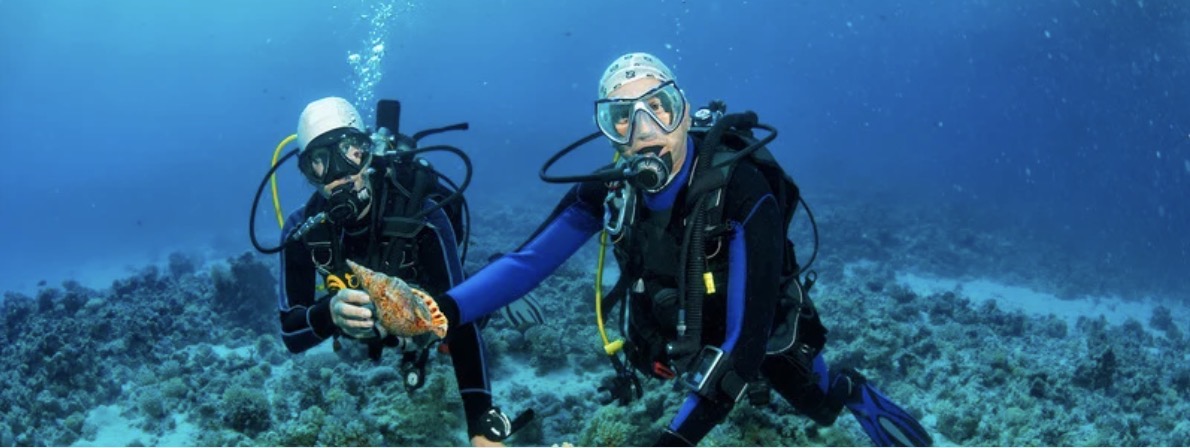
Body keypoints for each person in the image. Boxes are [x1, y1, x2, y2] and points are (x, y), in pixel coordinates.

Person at [376, 53, 934, 446]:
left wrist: (670, 442)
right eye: (622, 117)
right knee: (657, 357)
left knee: (810, 398)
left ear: (684, 114)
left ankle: (850, 391)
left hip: (754, 329)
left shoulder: (741, 190)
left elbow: (744, 344)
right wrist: (437, 312)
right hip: (675, 327)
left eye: (659, 108)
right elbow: (526, 265)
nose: (644, 130)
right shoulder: (608, 192)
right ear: (609, 133)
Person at [271, 96, 519, 446]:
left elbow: (460, 317)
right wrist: (330, 313)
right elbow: (292, 335)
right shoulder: (302, 231)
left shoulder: (423, 214)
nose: (339, 173)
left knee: (466, 321)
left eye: (349, 153)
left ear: (367, 153)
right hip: (373, 328)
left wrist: (480, 425)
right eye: (320, 162)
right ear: (308, 173)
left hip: (428, 311)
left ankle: (495, 278)